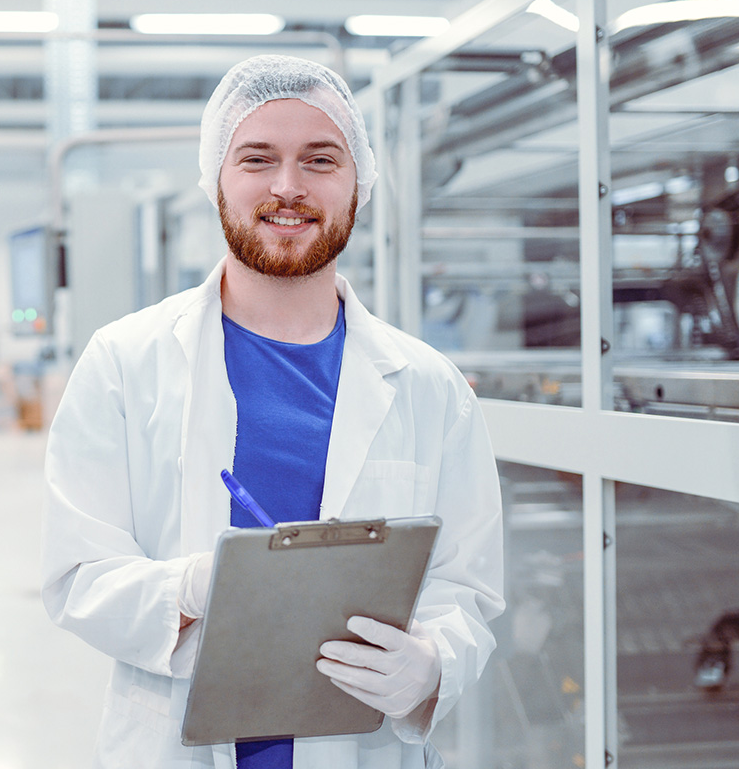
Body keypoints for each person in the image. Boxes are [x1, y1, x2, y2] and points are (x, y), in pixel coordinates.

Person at [41, 54, 505, 769]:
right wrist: (190, 587)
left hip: (362, 747)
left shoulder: (428, 387)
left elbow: (467, 586)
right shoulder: (125, 363)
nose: (288, 187)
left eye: (320, 159)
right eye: (258, 158)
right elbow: (78, 574)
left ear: (361, 183)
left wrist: (433, 663)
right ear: (216, 177)